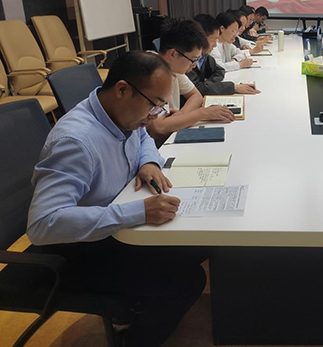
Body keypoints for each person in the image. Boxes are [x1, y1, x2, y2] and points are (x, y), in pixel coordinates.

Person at [27, 51, 208, 347]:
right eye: (153, 105)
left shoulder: (121, 114)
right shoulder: (76, 141)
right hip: (80, 250)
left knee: (199, 243)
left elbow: (144, 138)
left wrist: (148, 162)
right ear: (122, 89)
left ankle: (141, 307)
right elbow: (43, 224)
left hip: (114, 225)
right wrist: (137, 213)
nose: (154, 116)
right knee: (188, 280)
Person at [149, 18, 235, 138]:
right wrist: (202, 114)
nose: (194, 65)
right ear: (173, 54)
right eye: (193, 60)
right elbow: (158, 127)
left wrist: (181, 116)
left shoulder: (174, 68)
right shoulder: (151, 73)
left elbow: (196, 96)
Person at [188, 14, 261, 95]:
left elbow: (219, 70)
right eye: (233, 31)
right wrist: (232, 87)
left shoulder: (204, 56)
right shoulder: (188, 59)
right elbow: (197, 88)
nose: (215, 45)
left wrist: (207, 85)